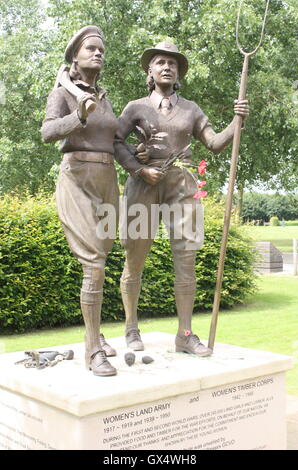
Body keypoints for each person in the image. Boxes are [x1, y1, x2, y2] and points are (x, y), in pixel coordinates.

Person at [114, 41, 249, 356]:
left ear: (178, 73)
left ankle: (185, 334)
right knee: (134, 260)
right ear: (150, 70)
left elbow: (215, 144)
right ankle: (131, 328)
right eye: (160, 62)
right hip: (142, 185)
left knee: (186, 262)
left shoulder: (191, 109)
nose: (166, 67)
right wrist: (137, 166)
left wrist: (236, 120)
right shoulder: (135, 107)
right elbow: (115, 141)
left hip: (182, 187)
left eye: (172, 64)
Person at [41, 26, 119, 376]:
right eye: (91, 48)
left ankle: (96, 334)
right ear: (75, 56)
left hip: (107, 179)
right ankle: (93, 351)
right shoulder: (62, 93)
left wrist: (140, 158)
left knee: (102, 256)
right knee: (94, 264)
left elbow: (115, 142)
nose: (98, 53)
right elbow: (47, 132)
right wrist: (79, 115)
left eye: (101, 49)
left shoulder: (105, 97)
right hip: (77, 178)